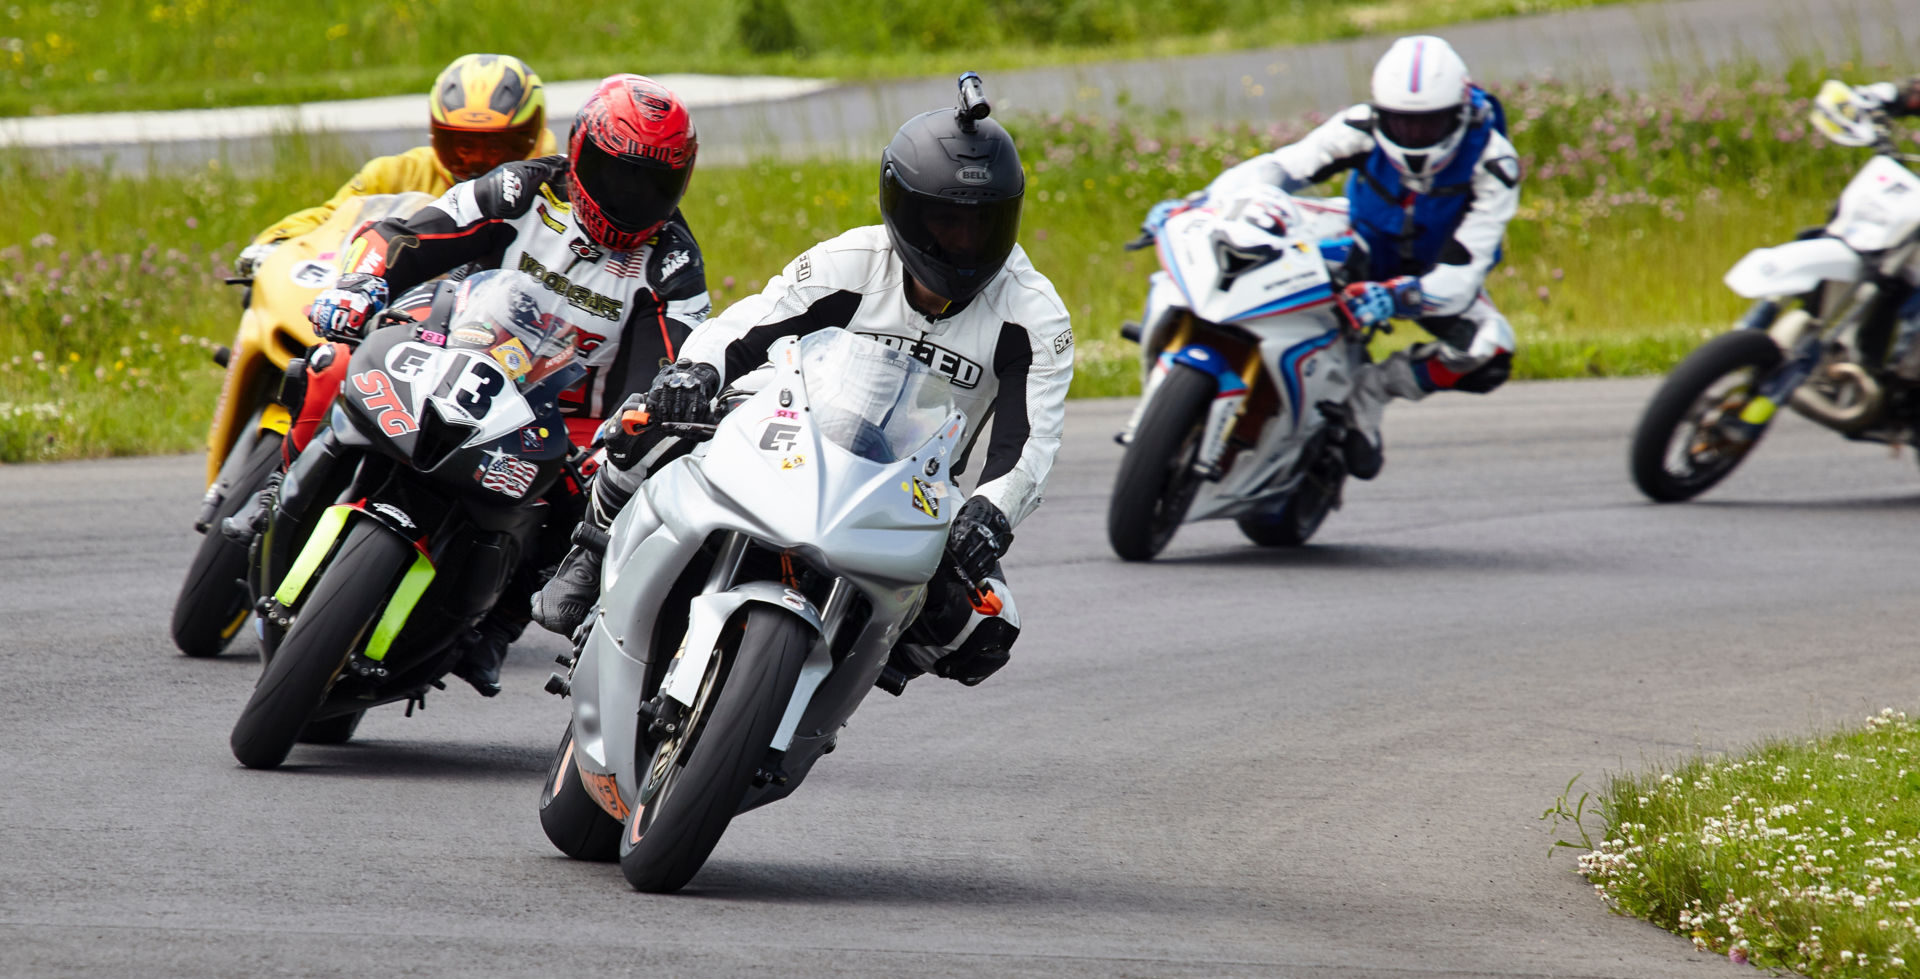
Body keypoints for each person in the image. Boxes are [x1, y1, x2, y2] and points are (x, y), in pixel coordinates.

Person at [532, 73, 1072, 691]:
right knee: (649, 419)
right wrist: (695, 371)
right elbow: (746, 324)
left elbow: (1028, 444)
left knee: (988, 633)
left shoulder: (1033, 313)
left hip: (913, 487)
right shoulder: (853, 260)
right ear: (902, 207)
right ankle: (595, 544)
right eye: (947, 223)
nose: (965, 242)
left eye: (983, 224)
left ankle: (851, 656)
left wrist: (990, 515)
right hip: (789, 430)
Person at [266, 73, 710, 697]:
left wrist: (635, 427)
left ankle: (494, 627)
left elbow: (663, 370)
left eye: (654, 184)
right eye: (617, 175)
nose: (631, 197)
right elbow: (413, 234)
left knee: (595, 496)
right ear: (579, 153)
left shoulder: (674, 267)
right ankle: (281, 488)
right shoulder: (522, 187)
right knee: (331, 364)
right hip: (453, 344)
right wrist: (365, 284)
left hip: (563, 413)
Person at [1147, 35, 1519, 477]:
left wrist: (1400, 298)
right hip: (1358, 241)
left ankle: (1371, 394)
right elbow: (1282, 167)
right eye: (1401, 122)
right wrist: (1201, 200)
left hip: (1432, 276)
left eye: (1429, 124)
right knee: (1251, 231)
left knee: (1490, 349)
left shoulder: (1494, 164)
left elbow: (1465, 270)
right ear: (1381, 112)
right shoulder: (1362, 126)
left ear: (1459, 113)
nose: (1414, 135)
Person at [232, 53, 557, 279]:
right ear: (436, 134)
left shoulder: (558, 187)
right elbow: (331, 219)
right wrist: (274, 244)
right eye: (463, 146)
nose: (477, 162)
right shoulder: (397, 173)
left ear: (533, 137)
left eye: (496, 147)